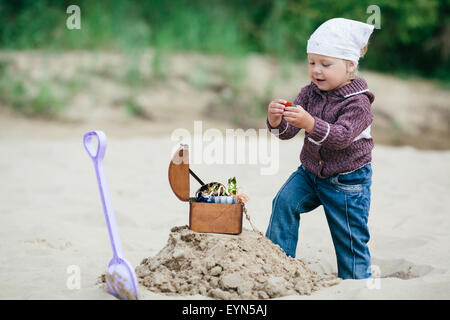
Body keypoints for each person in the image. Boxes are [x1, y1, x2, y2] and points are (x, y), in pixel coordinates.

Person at [265, 18, 375, 279]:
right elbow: (287, 133)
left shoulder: (358, 103)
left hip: (348, 181)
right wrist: (275, 120)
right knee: (284, 202)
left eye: (326, 64)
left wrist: (310, 122)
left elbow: (341, 137)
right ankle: (277, 266)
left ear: (350, 66)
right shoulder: (309, 93)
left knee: (350, 238)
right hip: (311, 172)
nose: (316, 70)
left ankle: (356, 283)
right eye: (312, 62)